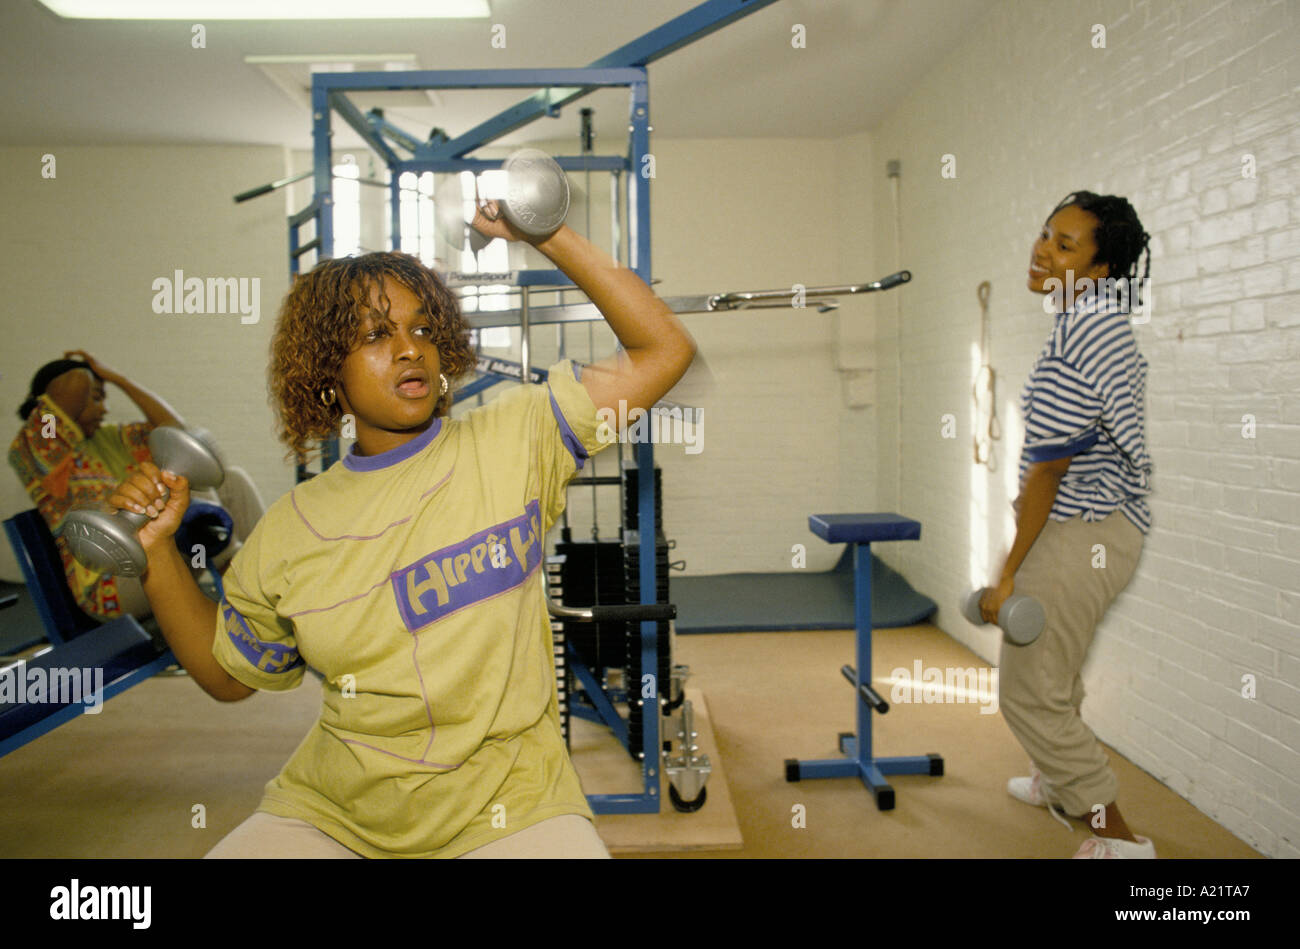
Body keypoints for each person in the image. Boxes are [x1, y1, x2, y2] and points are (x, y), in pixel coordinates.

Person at [107, 199, 696, 858]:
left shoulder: (517, 438)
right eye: (375, 334)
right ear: (329, 371)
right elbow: (229, 677)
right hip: (336, 812)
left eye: (422, 328)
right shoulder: (293, 530)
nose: (410, 347)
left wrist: (549, 234)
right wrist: (155, 550)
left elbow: (663, 347)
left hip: (514, 805)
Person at [983, 191, 1154, 859]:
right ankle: (1058, 780)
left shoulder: (1088, 330)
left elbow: (1048, 470)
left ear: (1101, 267)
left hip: (1082, 531)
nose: (1043, 250)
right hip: (1099, 527)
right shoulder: (1089, 319)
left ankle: (1119, 837)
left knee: (1027, 693)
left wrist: (1007, 570)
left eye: (1065, 244)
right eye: (1047, 234)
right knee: (1056, 671)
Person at [8, 353, 263, 620]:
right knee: (184, 481)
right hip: (110, 582)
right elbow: (74, 383)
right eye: (95, 398)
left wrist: (121, 380)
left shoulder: (112, 438)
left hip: (159, 554)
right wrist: (84, 368)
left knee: (231, 479)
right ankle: (244, 587)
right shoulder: (39, 442)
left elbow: (178, 434)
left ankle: (263, 575)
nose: (104, 408)